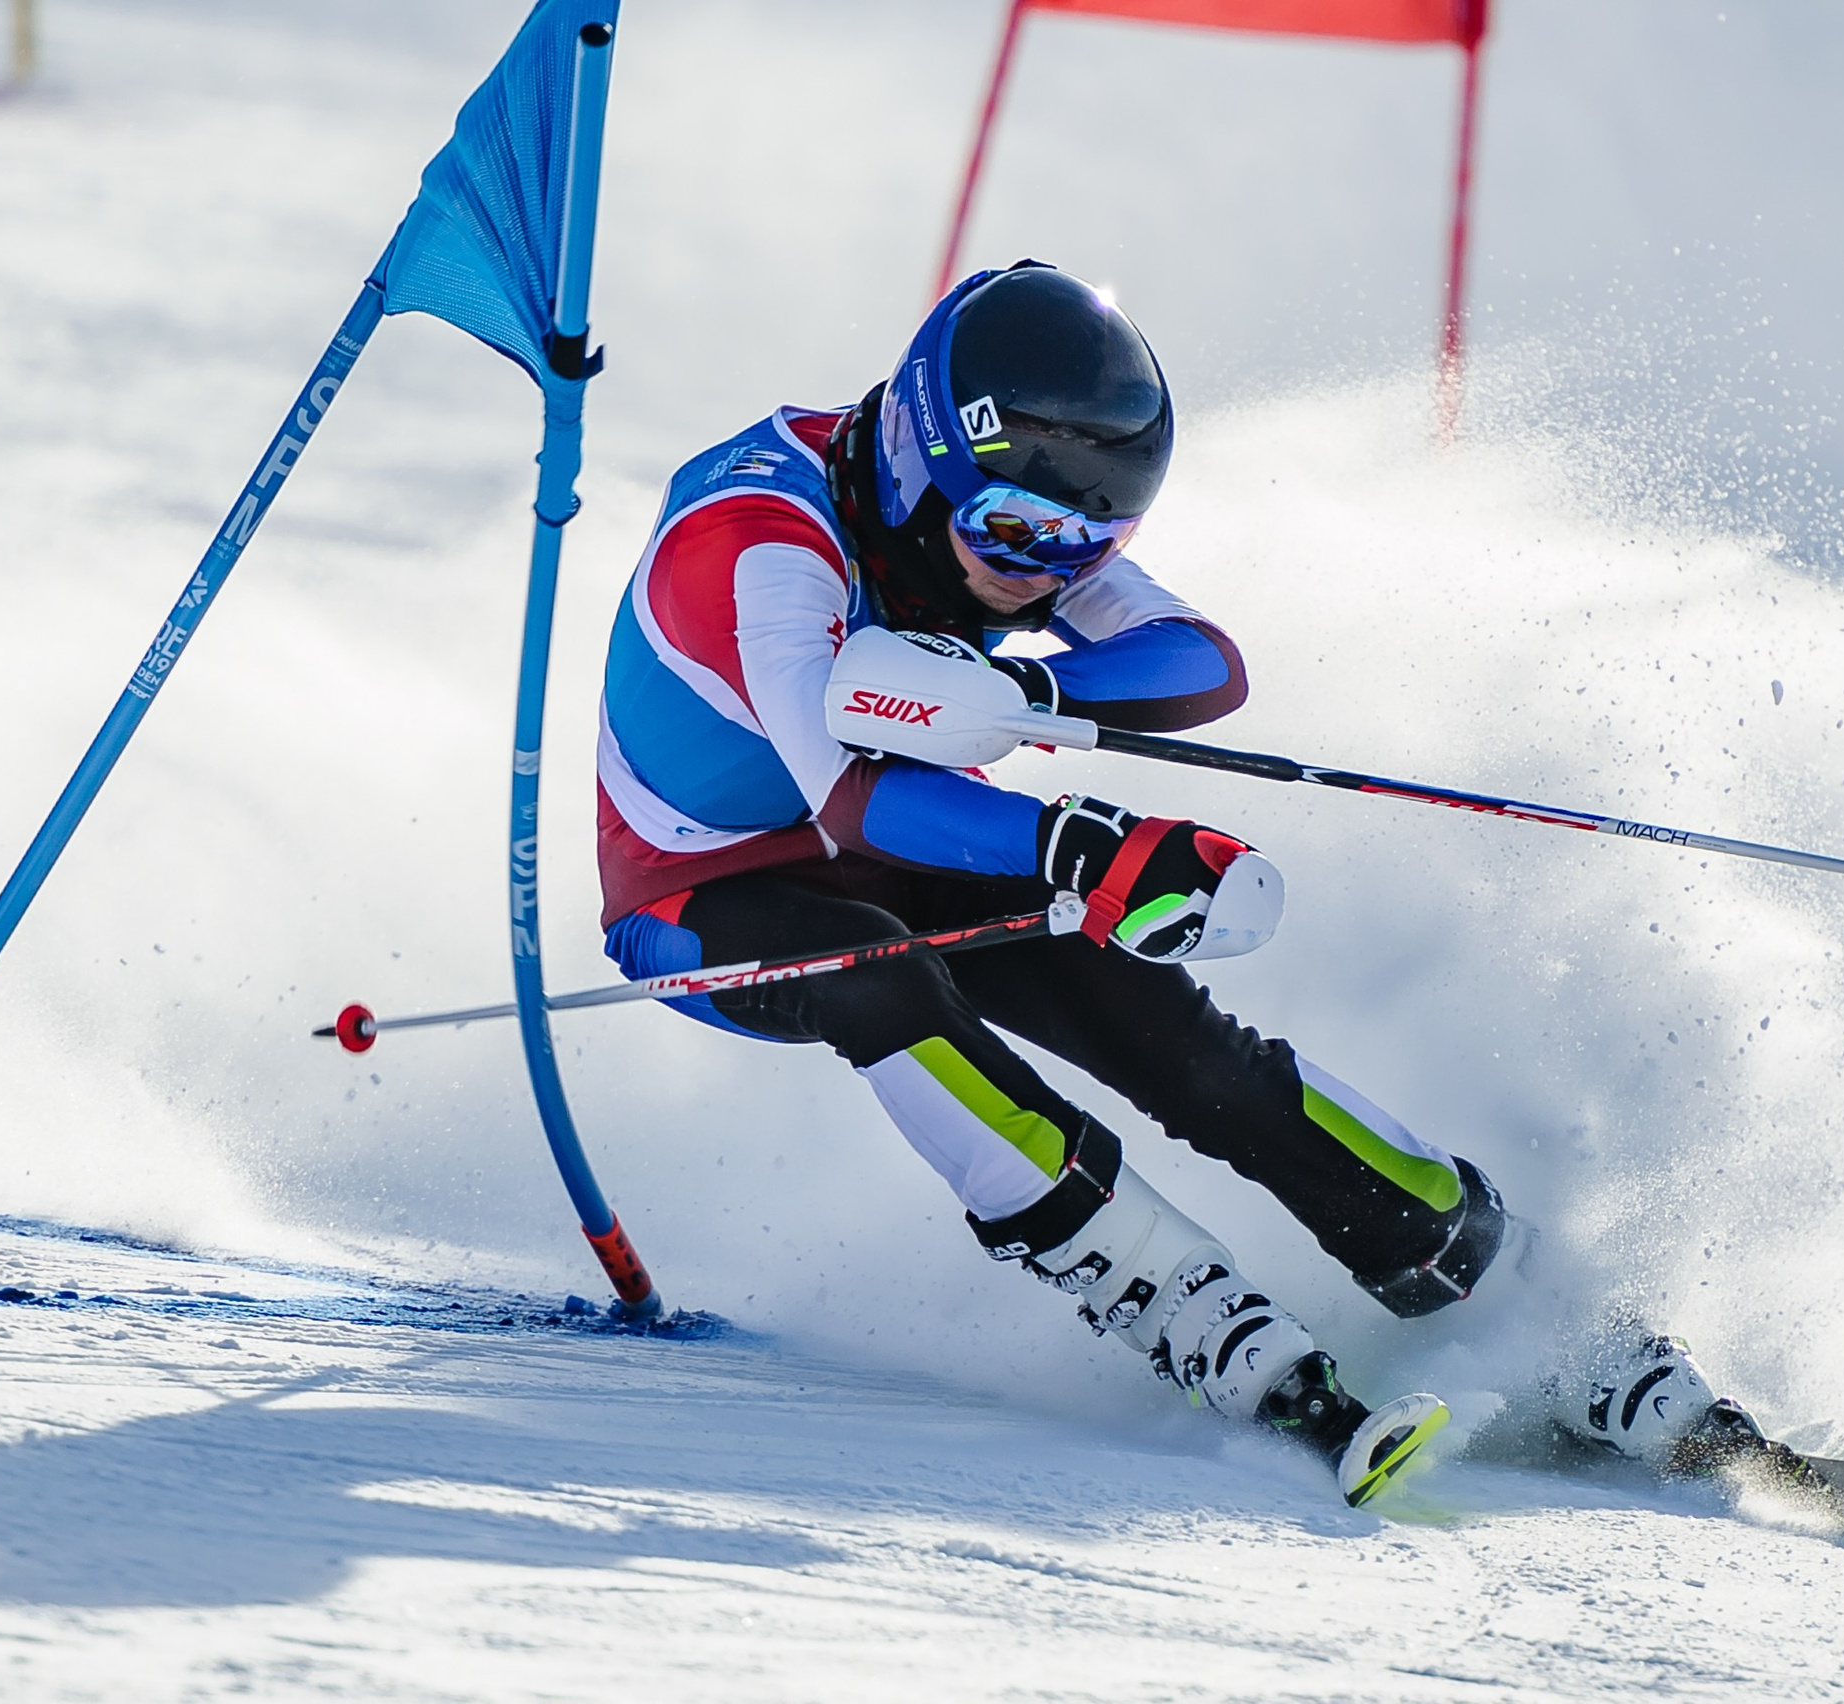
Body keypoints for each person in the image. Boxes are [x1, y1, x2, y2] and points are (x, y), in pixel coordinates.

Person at [593, 260, 1757, 1504]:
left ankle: (1508, 1294)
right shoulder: (758, 545)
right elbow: (850, 800)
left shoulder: (1021, 508)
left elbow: (1202, 663)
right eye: (1017, 536)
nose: (1043, 571)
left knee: (1171, 1035)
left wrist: (1034, 687)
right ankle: (1174, 1299)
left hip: (915, 843)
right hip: (701, 896)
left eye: (1091, 546)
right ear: (915, 465)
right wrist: (1079, 848)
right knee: (879, 976)